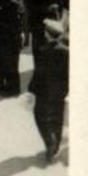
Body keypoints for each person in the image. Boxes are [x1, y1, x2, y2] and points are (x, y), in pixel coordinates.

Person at [28, 18, 69, 162]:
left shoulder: (43, 51)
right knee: (57, 117)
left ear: (48, 34)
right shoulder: (66, 51)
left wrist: (31, 90)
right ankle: (55, 144)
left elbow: (38, 73)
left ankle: (49, 140)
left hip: (44, 92)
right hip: (60, 91)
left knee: (40, 115)